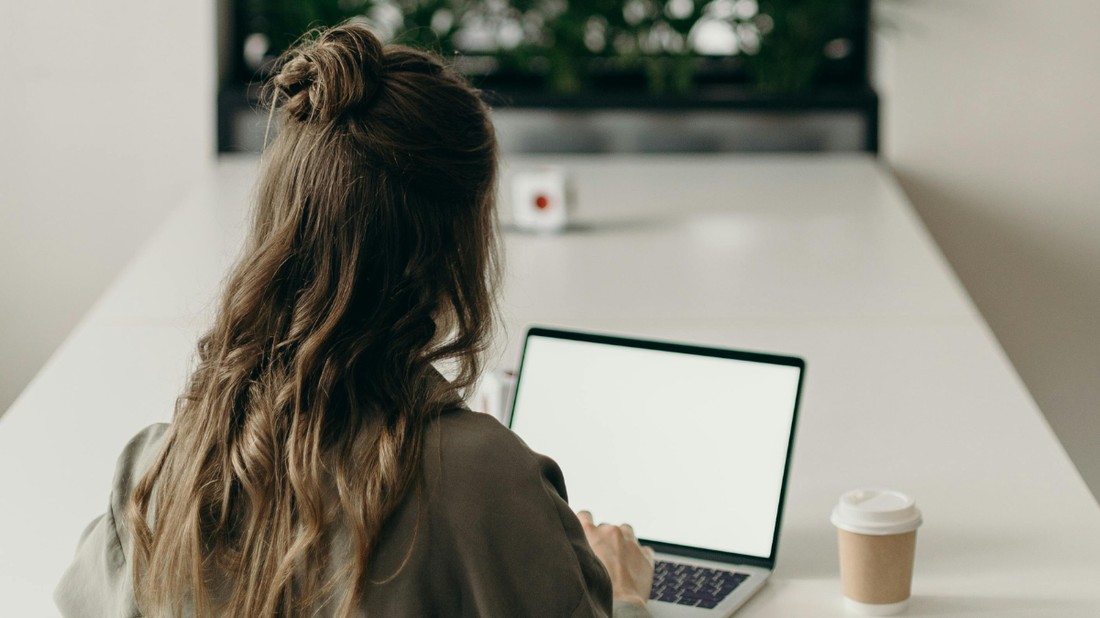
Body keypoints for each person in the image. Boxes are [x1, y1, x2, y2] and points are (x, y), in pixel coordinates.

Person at [54, 22, 655, 618]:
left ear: (279, 222)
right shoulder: (486, 484)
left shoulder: (158, 473)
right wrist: (624, 595)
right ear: (458, 251)